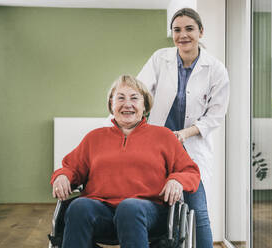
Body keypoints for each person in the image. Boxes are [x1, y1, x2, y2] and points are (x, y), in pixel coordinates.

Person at [51, 75, 200, 248]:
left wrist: (177, 180)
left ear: (144, 105)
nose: (127, 104)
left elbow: (190, 171)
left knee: (129, 208)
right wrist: (62, 176)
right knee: (79, 206)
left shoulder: (164, 136)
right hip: (102, 211)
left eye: (134, 98)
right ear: (111, 105)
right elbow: (71, 168)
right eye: (120, 98)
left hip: (149, 211)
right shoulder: (95, 138)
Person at [136, 8, 230, 248]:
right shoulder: (161, 58)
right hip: (157, 148)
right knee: (160, 205)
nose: (183, 35)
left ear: (201, 31)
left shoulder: (216, 69)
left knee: (197, 210)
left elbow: (215, 116)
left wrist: (184, 134)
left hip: (192, 147)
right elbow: (140, 92)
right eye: (177, 30)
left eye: (189, 28)